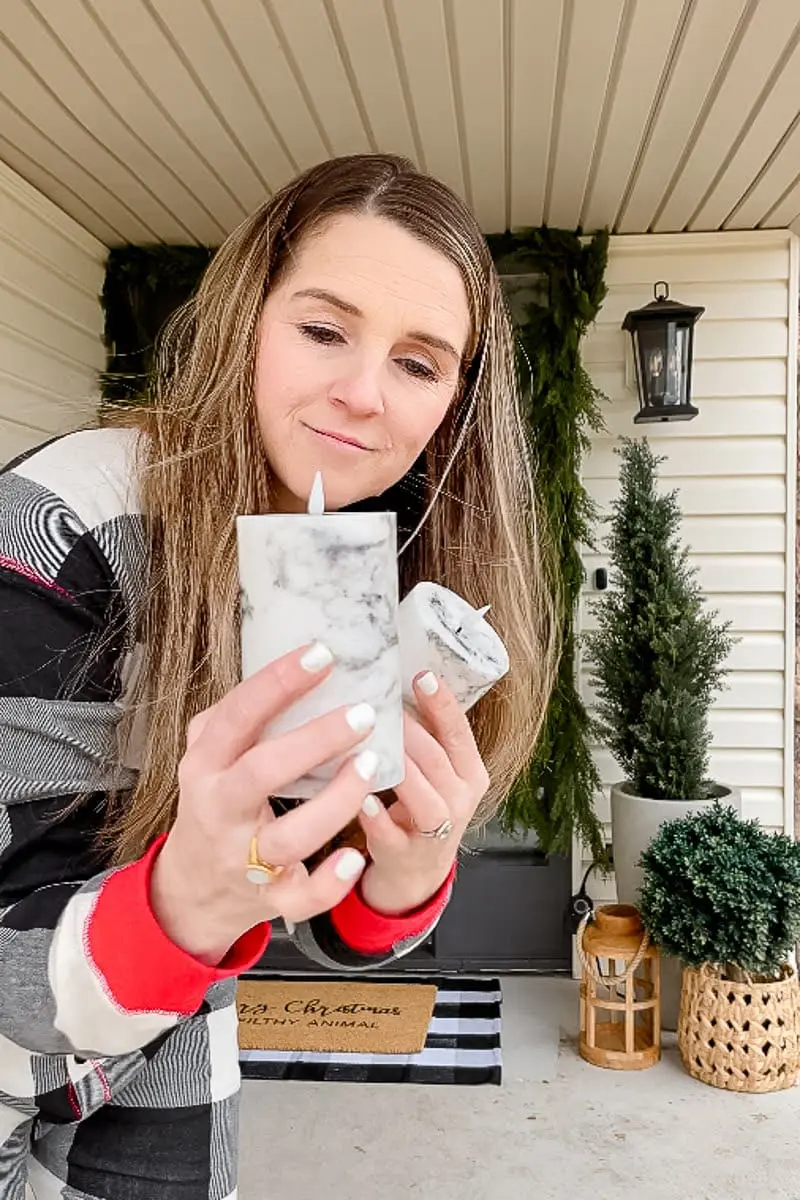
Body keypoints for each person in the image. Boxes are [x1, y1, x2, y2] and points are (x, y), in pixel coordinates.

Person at [0, 154, 555, 1198]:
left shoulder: (354, 563)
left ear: (454, 408)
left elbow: (294, 902)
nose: (361, 394)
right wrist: (179, 904)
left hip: (162, 1062)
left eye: (419, 363)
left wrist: (391, 880)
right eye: (322, 329)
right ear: (245, 320)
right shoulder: (60, 530)